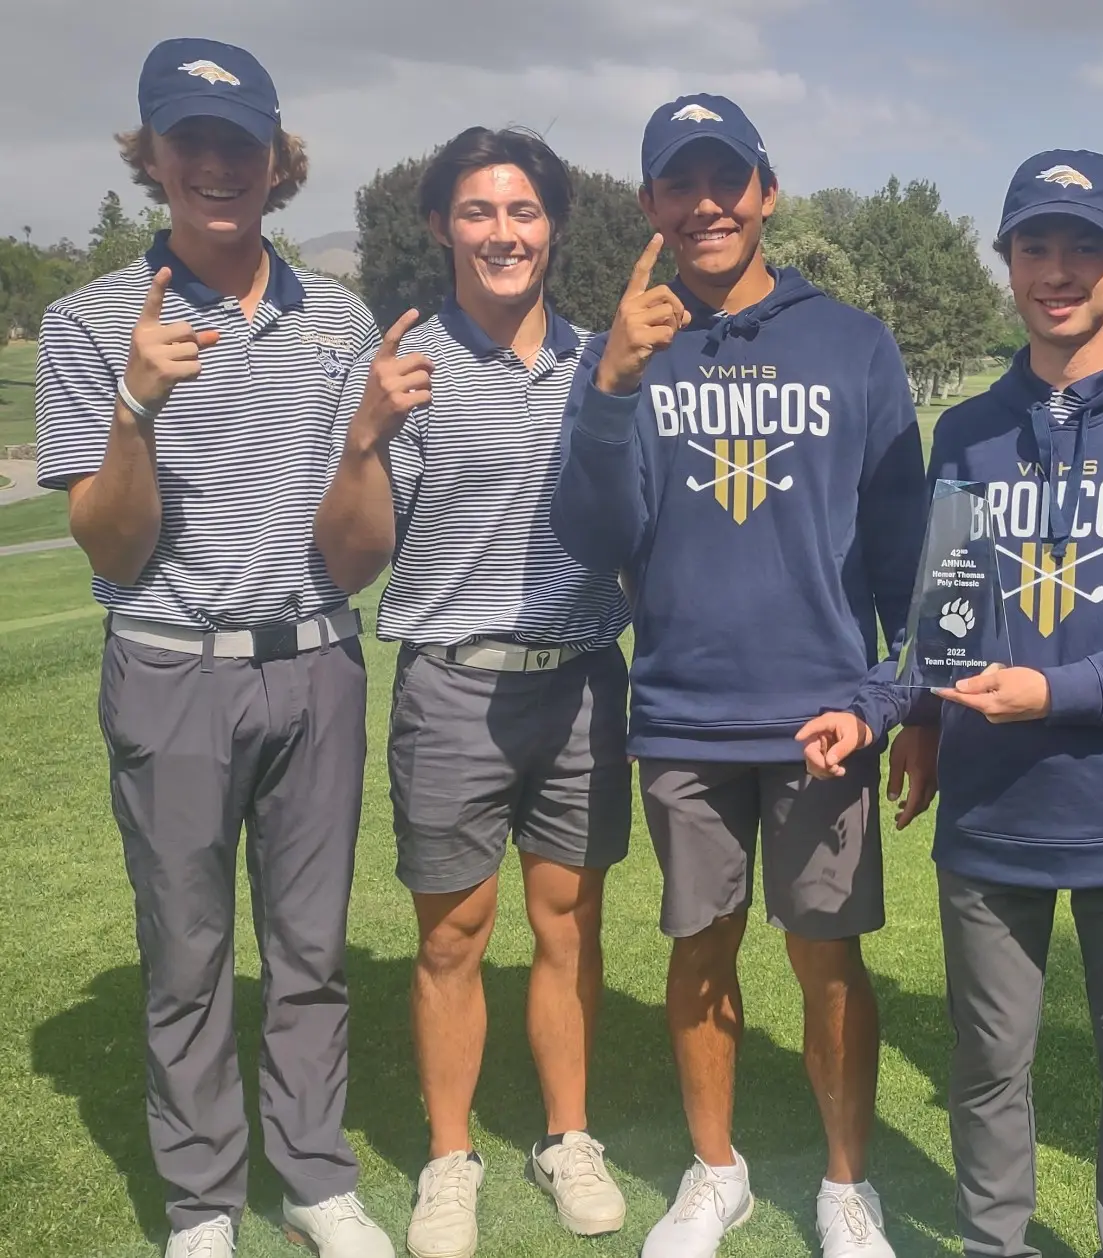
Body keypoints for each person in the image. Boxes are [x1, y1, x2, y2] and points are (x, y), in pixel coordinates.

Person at [802, 148, 1103, 1258]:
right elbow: (942, 623)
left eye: (1084, 248)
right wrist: (877, 708)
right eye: (1035, 246)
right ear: (1005, 260)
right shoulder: (966, 430)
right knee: (987, 1063)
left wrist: (1057, 690)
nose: (1058, 271)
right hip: (994, 813)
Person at [549, 94, 927, 1258]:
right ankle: (715, 1172)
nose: (706, 203)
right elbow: (588, 534)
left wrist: (908, 703)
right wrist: (613, 387)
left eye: (727, 179)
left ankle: (847, 1184)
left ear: (765, 191)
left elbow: (905, 551)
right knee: (699, 948)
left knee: (828, 958)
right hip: (684, 713)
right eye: (680, 182)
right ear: (650, 203)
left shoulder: (853, 343)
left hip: (826, 716)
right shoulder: (623, 347)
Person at [32, 38, 392, 1258]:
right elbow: (114, 544)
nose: (216, 165)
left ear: (277, 161)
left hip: (317, 662)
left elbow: (356, 547)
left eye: (240, 143)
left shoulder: (337, 318)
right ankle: (201, 1203)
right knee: (186, 955)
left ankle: (313, 1177)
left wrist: (367, 443)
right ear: (153, 157)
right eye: (189, 140)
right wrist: (136, 406)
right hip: (170, 664)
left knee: (310, 950)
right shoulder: (90, 322)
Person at [315, 126, 633, 1258]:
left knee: (569, 925)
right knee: (452, 936)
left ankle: (568, 1138)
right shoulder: (405, 367)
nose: (503, 233)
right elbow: (351, 559)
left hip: (581, 685)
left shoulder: (603, 365)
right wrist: (366, 438)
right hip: (453, 688)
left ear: (554, 227)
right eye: (478, 212)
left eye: (523, 211)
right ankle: (449, 1161)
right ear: (441, 227)